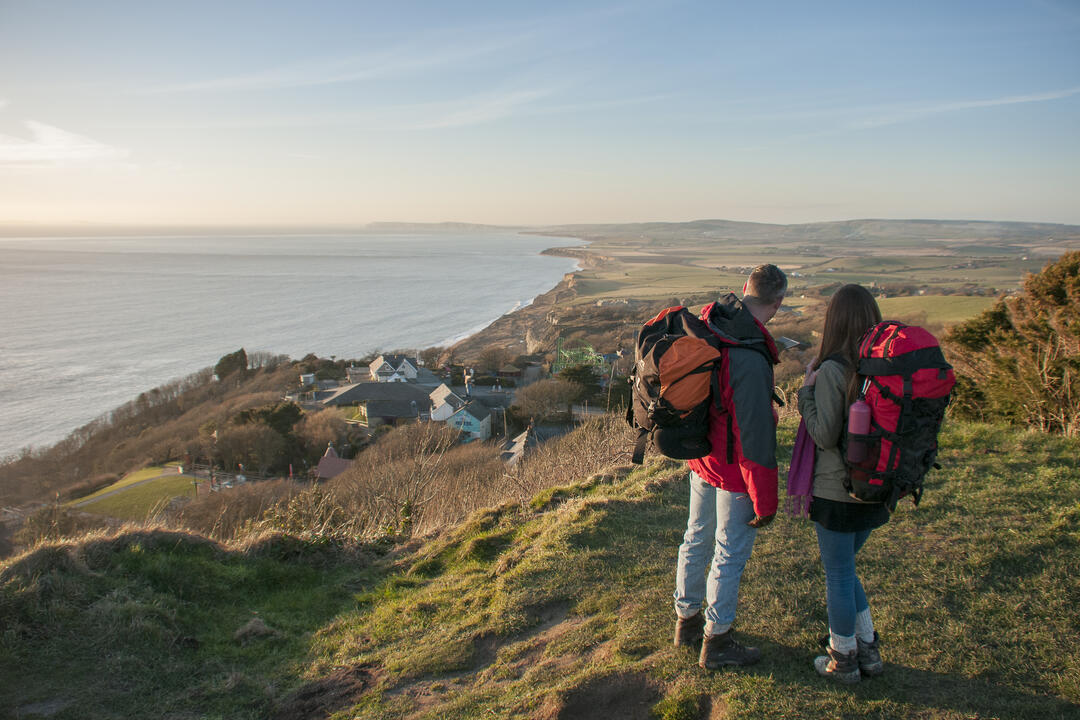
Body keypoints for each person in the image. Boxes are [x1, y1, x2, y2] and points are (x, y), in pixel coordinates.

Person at [672, 263, 786, 669]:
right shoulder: (750, 354)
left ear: (745, 289)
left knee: (696, 535)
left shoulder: (712, 322)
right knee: (729, 551)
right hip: (732, 466)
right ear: (777, 303)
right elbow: (755, 438)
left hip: (701, 454)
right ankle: (716, 641)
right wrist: (766, 502)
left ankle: (686, 619)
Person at [797, 283, 888, 684]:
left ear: (834, 320)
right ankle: (867, 650)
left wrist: (805, 393)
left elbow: (823, 434)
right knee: (847, 570)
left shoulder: (835, 370)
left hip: (837, 491)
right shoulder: (882, 369)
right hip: (879, 488)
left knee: (837, 574)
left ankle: (844, 658)